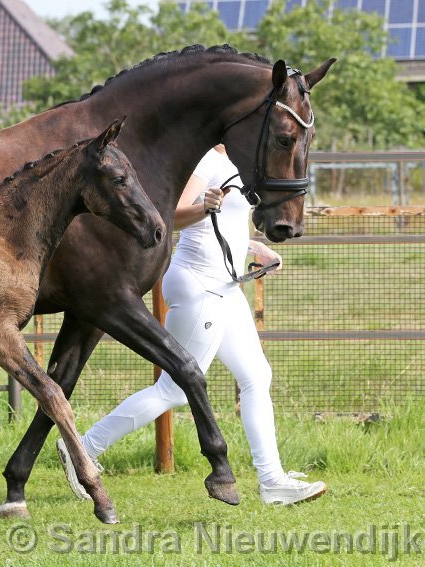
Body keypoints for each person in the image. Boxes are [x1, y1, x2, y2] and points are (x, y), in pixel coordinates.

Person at [58, 144, 326, 505]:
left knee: (256, 376)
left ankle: (272, 480)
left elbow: (221, 223)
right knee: (174, 390)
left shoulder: (233, 159)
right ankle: (83, 448)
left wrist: (253, 247)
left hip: (225, 285)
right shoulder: (206, 160)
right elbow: (171, 215)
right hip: (200, 285)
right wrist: (204, 206)